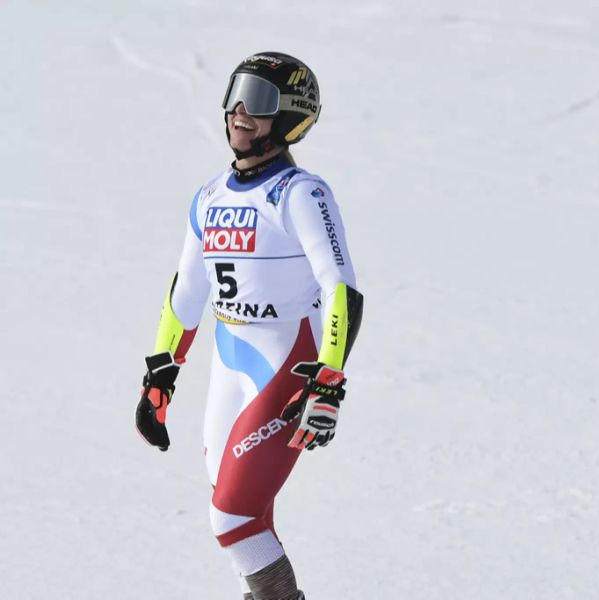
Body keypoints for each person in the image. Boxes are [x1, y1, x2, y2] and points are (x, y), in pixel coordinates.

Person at [135, 51, 363, 600]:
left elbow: (342, 290)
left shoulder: (301, 194)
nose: (239, 111)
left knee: (232, 519)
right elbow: (187, 290)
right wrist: (160, 377)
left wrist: (327, 380)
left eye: (258, 101)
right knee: (246, 514)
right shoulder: (209, 197)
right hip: (230, 367)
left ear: (289, 118)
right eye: (235, 94)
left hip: (288, 371)